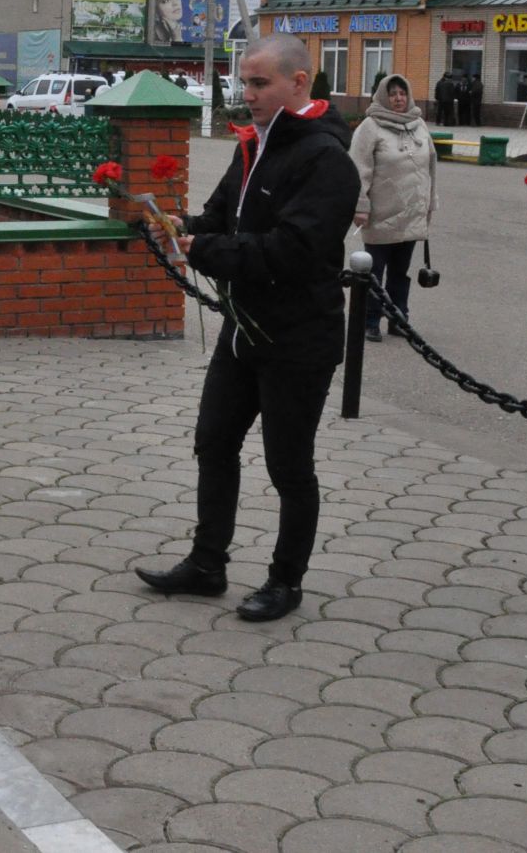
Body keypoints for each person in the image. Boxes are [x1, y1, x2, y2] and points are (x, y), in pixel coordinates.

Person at [135, 33, 360, 622]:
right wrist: (182, 224)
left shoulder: (326, 159)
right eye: (245, 82)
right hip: (243, 331)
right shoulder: (252, 145)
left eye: (260, 83)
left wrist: (205, 248)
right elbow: (220, 215)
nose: (248, 94)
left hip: (297, 337)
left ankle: (286, 581)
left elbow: (293, 251)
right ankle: (207, 565)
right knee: (213, 442)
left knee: (289, 466)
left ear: (299, 83)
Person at [350, 74, 437, 342]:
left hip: (411, 213)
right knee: (374, 272)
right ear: (383, 96)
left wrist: (430, 203)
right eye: (393, 94)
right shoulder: (370, 127)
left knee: (401, 271)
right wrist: (360, 206)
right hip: (380, 214)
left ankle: (399, 319)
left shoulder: (418, 124)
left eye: (402, 93)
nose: (398, 98)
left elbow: (431, 166)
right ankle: (370, 321)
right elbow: (358, 169)